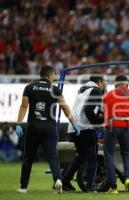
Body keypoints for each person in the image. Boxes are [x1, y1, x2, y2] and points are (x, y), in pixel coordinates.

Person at [15, 65, 80, 194]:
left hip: (34, 126)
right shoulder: (55, 89)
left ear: (41, 75)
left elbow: (24, 106)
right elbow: (65, 107)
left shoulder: (29, 87)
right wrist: (74, 123)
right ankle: (57, 180)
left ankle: (23, 187)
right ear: (50, 75)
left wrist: (18, 123)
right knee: (53, 157)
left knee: (28, 157)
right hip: (50, 128)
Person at [62, 75, 106, 192]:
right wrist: (97, 122)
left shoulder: (82, 90)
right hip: (85, 128)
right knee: (93, 158)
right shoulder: (96, 90)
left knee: (82, 155)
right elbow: (88, 109)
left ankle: (65, 181)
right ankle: (89, 187)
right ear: (99, 82)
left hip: (73, 128)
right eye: (103, 83)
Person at [103, 75, 129, 194]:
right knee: (127, 154)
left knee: (109, 155)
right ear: (127, 84)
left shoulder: (108, 95)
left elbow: (105, 112)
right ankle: (128, 179)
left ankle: (113, 186)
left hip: (112, 125)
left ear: (115, 84)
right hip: (127, 126)